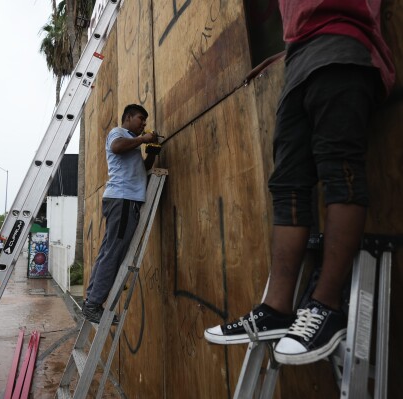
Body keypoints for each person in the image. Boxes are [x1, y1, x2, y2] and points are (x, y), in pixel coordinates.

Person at [204, 1, 394, 365]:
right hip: (297, 60)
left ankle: (326, 305)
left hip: (342, 43)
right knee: (287, 186)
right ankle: (276, 309)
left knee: (341, 172)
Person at [82, 104, 158, 324]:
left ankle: (91, 301)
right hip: (123, 200)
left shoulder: (130, 142)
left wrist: (151, 153)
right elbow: (116, 147)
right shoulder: (119, 133)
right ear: (128, 117)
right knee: (113, 253)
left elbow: (141, 171)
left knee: (108, 251)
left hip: (123, 200)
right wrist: (143, 140)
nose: (144, 123)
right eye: (141, 118)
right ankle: (94, 304)